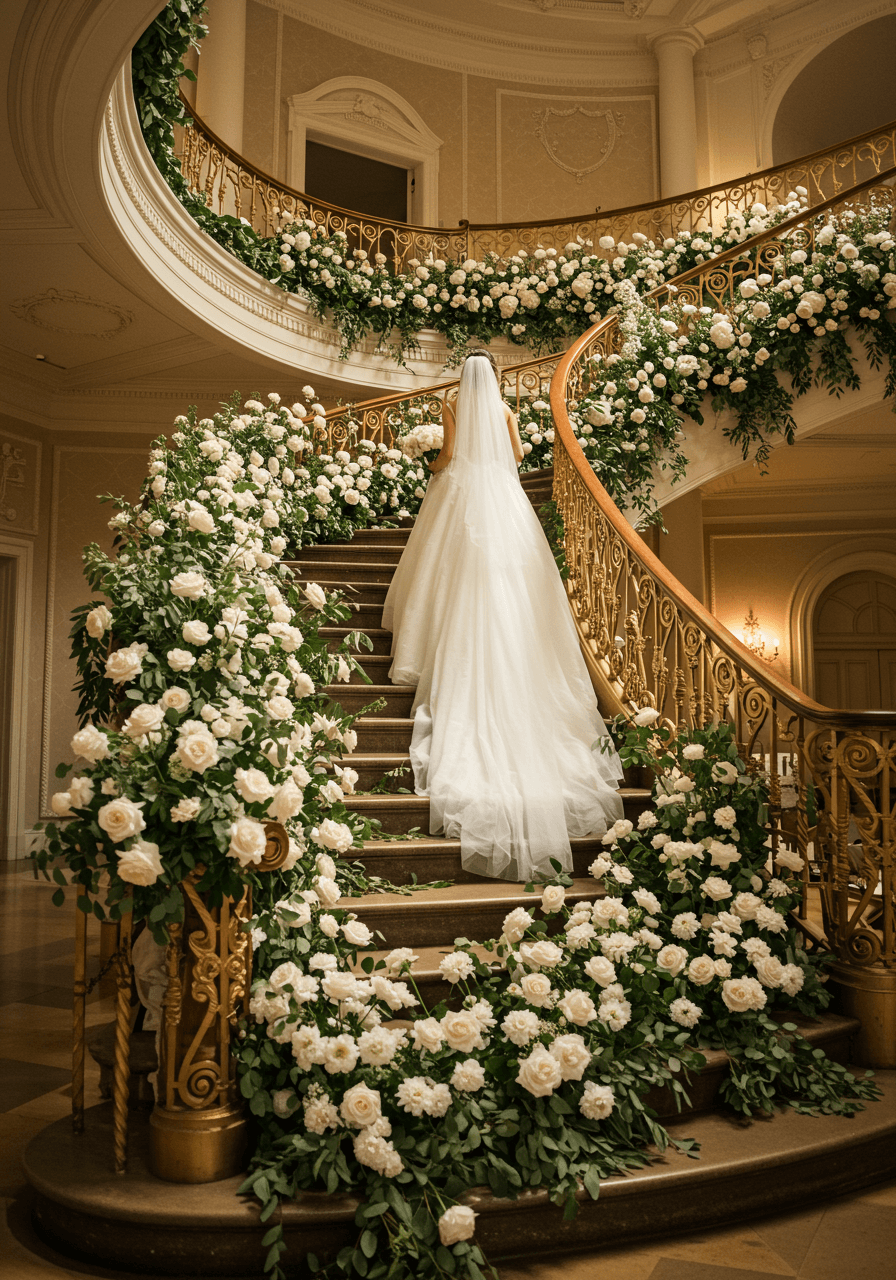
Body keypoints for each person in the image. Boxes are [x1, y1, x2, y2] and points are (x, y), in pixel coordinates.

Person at [382, 348, 624, 883]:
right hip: (505, 502)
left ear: (461, 377)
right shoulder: (506, 411)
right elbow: (515, 458)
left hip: (462, 499)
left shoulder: (450, 403)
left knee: (451, 576)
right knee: (512, 581)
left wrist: (430, 460)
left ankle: (441, 645)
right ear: (493, 376)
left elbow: (445, 459)